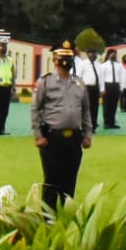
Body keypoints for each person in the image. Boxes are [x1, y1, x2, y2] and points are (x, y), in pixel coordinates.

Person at [30, 40, 92, 205]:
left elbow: (86, 111)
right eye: (62, 56)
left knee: (70, 180)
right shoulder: (45, 81)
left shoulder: (79, 83)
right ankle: (48, 219)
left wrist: (87, 135)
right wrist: (38, 135)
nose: (66, 61)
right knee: (52, 181)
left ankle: (66, 215)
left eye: (69, 57)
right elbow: (35, 109)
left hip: (74, 138)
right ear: (54, 59)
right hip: (52, 138)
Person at [0, 40, 17, 134]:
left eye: (4, 46)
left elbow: (13, 74)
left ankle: (2, 128)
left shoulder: (10, 60)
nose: (3, 48)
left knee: (5, 110)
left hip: (7, 87)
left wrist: (13, 86)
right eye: (1, 46)